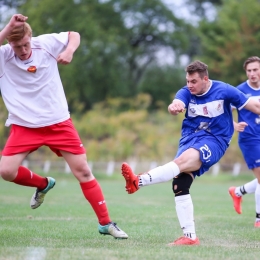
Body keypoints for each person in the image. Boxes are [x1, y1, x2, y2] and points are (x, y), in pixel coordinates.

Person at [0, 14, 128, 239]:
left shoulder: (45, 44)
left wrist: (69, 51)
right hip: (24, 125)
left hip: (58, 122)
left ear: (32, 37)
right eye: (16, 45)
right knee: (6, 171)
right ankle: (43, 183)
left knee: (84, 171)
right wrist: (8, 26)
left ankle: (106, 223)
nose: (22, 49)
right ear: (9, 43)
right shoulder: (4, 57)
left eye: (26, 43)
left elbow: (74, 35)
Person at [121, 60, 260, 246]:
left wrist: (232, 125)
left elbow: (255, 106)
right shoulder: (186, 92)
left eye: (193, 81)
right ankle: (190, 237)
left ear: (205, 79)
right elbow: (176, 103)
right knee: (180, 183)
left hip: (215, 140)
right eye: (187, 81)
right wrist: (174, 107)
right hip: (189, 139)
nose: (189, 85)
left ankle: (138, 181)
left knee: (184, 161)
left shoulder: (224, 90)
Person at [228, 56, 260, 228]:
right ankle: (259, 219)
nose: (252, 74)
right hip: (250, 139)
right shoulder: (239, 91)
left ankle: (238, 191)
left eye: (255, 69)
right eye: (249, 71)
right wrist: (232, 124)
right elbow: (223, 111)